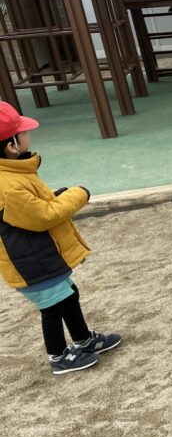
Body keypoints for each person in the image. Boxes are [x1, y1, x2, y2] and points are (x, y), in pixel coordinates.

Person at [0, 102, 122, 375]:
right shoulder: (7, 184)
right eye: (23, 132)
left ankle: (83, 339)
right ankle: (58, 356)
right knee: (52, 307)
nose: (28, 135)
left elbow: (30, 209)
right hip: (31, 262)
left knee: (67, 295)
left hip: (38, 255)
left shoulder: (14, 172)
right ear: (11, 146)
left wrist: (55, 196)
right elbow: (43, 216)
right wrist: (78, 194)